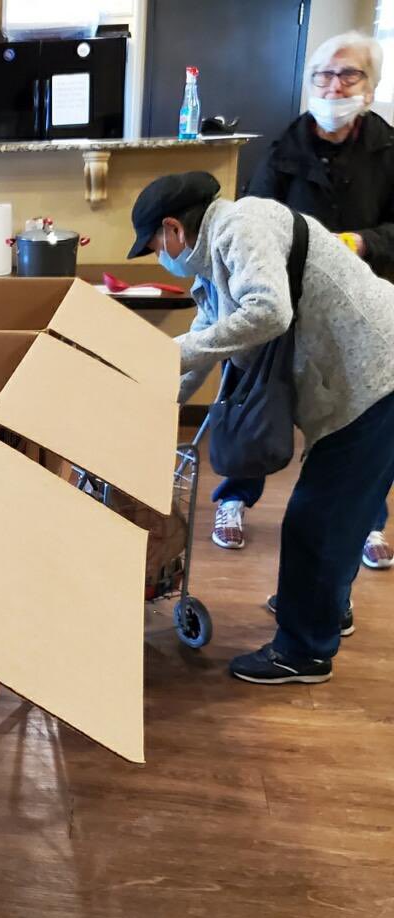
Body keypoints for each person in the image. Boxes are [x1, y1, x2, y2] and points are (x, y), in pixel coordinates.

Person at [127, 171, 394, 684]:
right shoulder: (214, 263)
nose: (160, 255)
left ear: (173, 230)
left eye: (155, 246)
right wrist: (154, 405)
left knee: (317, 518)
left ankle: (303, 652)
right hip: (353, 383)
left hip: (374, 377)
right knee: (341, 512)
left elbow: (268, 312)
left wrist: (170, 351)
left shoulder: (240, 225)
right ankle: (326, 608)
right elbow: (206, 344)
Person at [210, 31, 394, 571]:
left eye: (349, 74)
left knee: (357, 420)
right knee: (256, 399)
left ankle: (368, 520)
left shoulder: (389, 153)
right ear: (309, 81)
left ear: (371, 83)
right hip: (290, 307)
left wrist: (364, 242)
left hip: (364, 310)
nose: (334, 86)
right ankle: (233, 500)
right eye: (324, 75)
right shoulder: (282, 153)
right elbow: (251, 220)